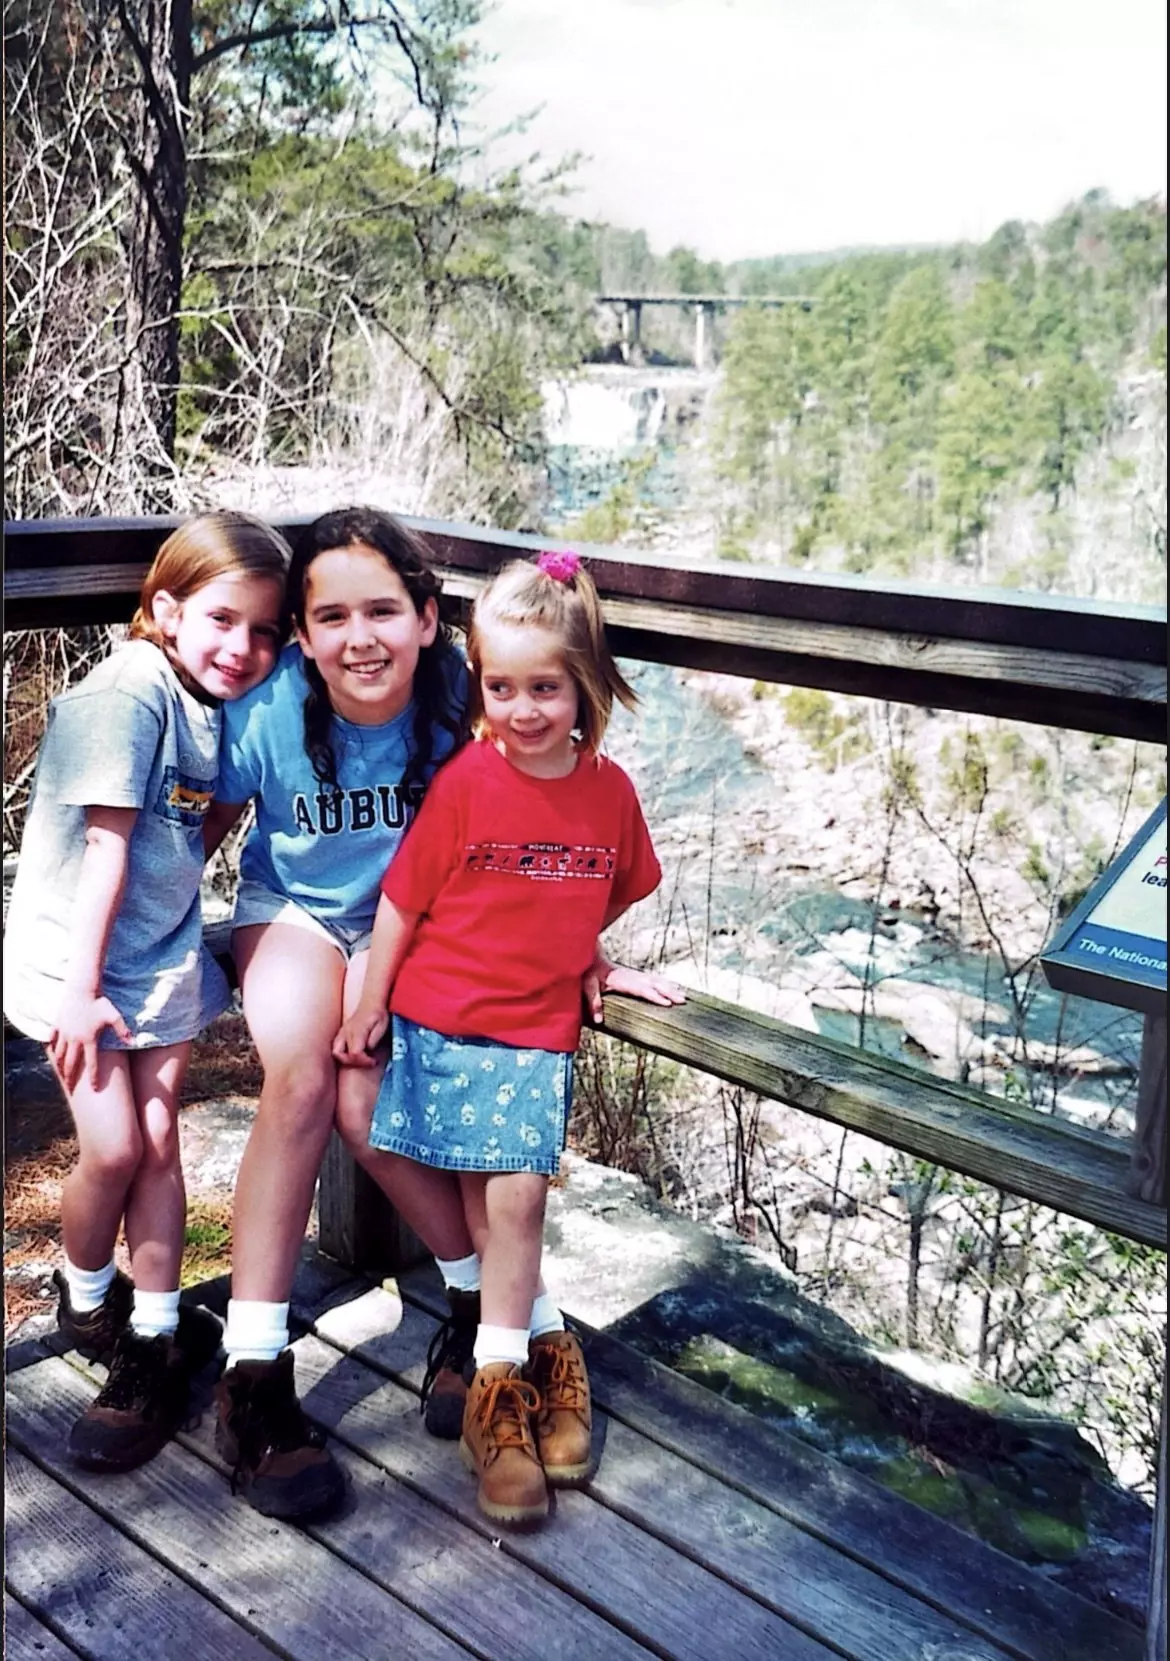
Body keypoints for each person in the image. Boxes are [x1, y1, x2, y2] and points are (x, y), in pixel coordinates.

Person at [333, 548, 681, 1526]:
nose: (523, 708)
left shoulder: (607, 791)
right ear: (479, 684)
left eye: (546, 687)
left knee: (517, 1191)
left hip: (533, 1029)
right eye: (501, 686)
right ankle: (550, 1339)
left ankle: (497, 1395)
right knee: (440, 1176)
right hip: (439, 1013)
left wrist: (598, 964)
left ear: (585, 684)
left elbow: (600, 887)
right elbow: (403, 899)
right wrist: (369, 1001)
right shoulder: (468, 783)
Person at [203, 506, 477, 1522]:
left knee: (369, 1097)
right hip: (298, 917)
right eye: (331, 616)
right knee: (307, 1075)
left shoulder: (459, 702)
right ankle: (254, 1372)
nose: (359, 637)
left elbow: (545, 808)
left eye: (382, 610)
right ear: (305, 633)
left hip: (415, 925)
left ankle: (478, 1298)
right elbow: (204, 831)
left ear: (425, 615)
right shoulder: (270, 709)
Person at [3, 511, 289, 1472]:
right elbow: (107, 846)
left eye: (263, 630)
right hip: (76, 964)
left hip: (159, 958)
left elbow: (197, 828)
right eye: (220, 620)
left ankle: (157, 1331)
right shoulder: (130, 693)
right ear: (165, 608)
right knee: (117, 1145)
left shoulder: (220, 705)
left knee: (162, 1141)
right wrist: (80, 994)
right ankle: (85, 1294)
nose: (241, 647)